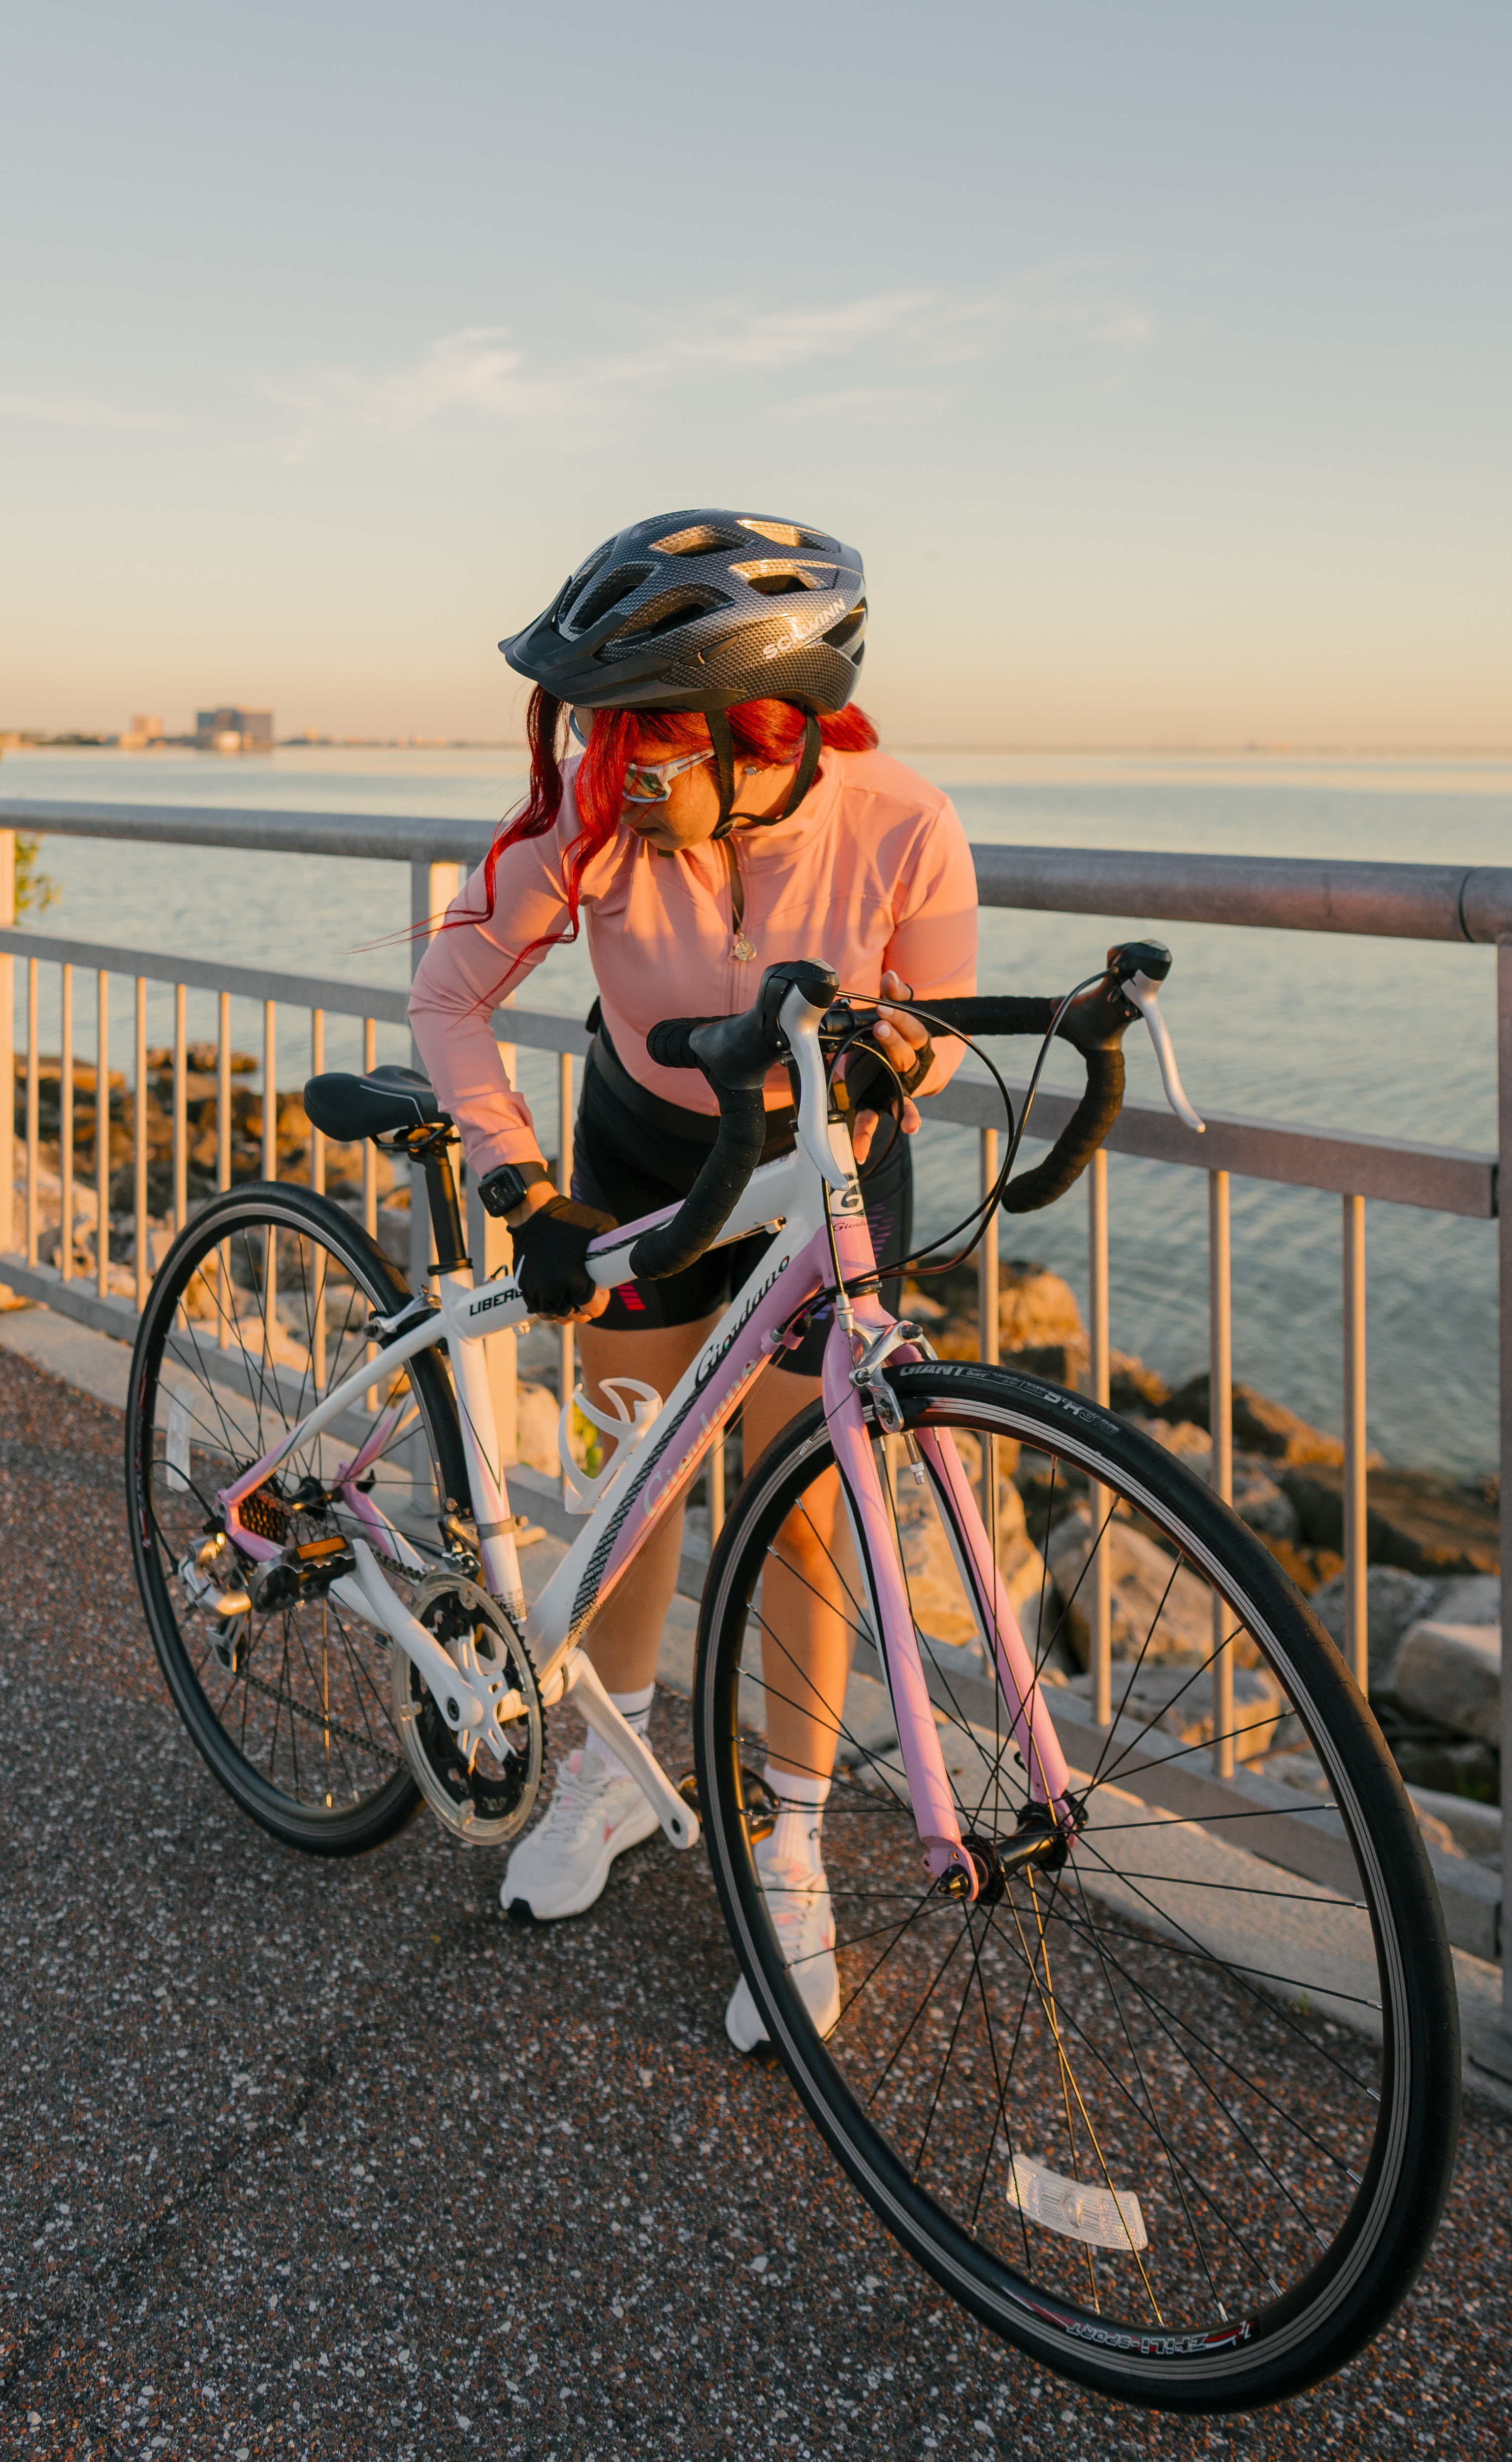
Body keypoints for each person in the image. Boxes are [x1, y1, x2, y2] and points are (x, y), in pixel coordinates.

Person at [408, 509, 977, 2049]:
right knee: (632, 1479)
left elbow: (924, 1025)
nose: (610, 769)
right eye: (598, 736)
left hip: (823, 1161)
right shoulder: (592, 819)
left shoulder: (905, 822)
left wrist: (892, 1047)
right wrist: (514, 1176)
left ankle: (791, 1840)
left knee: (802, 1510)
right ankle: (611, 1759)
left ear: (760, 729)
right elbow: (453, 989)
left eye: (642, 741)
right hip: (643, 1147)